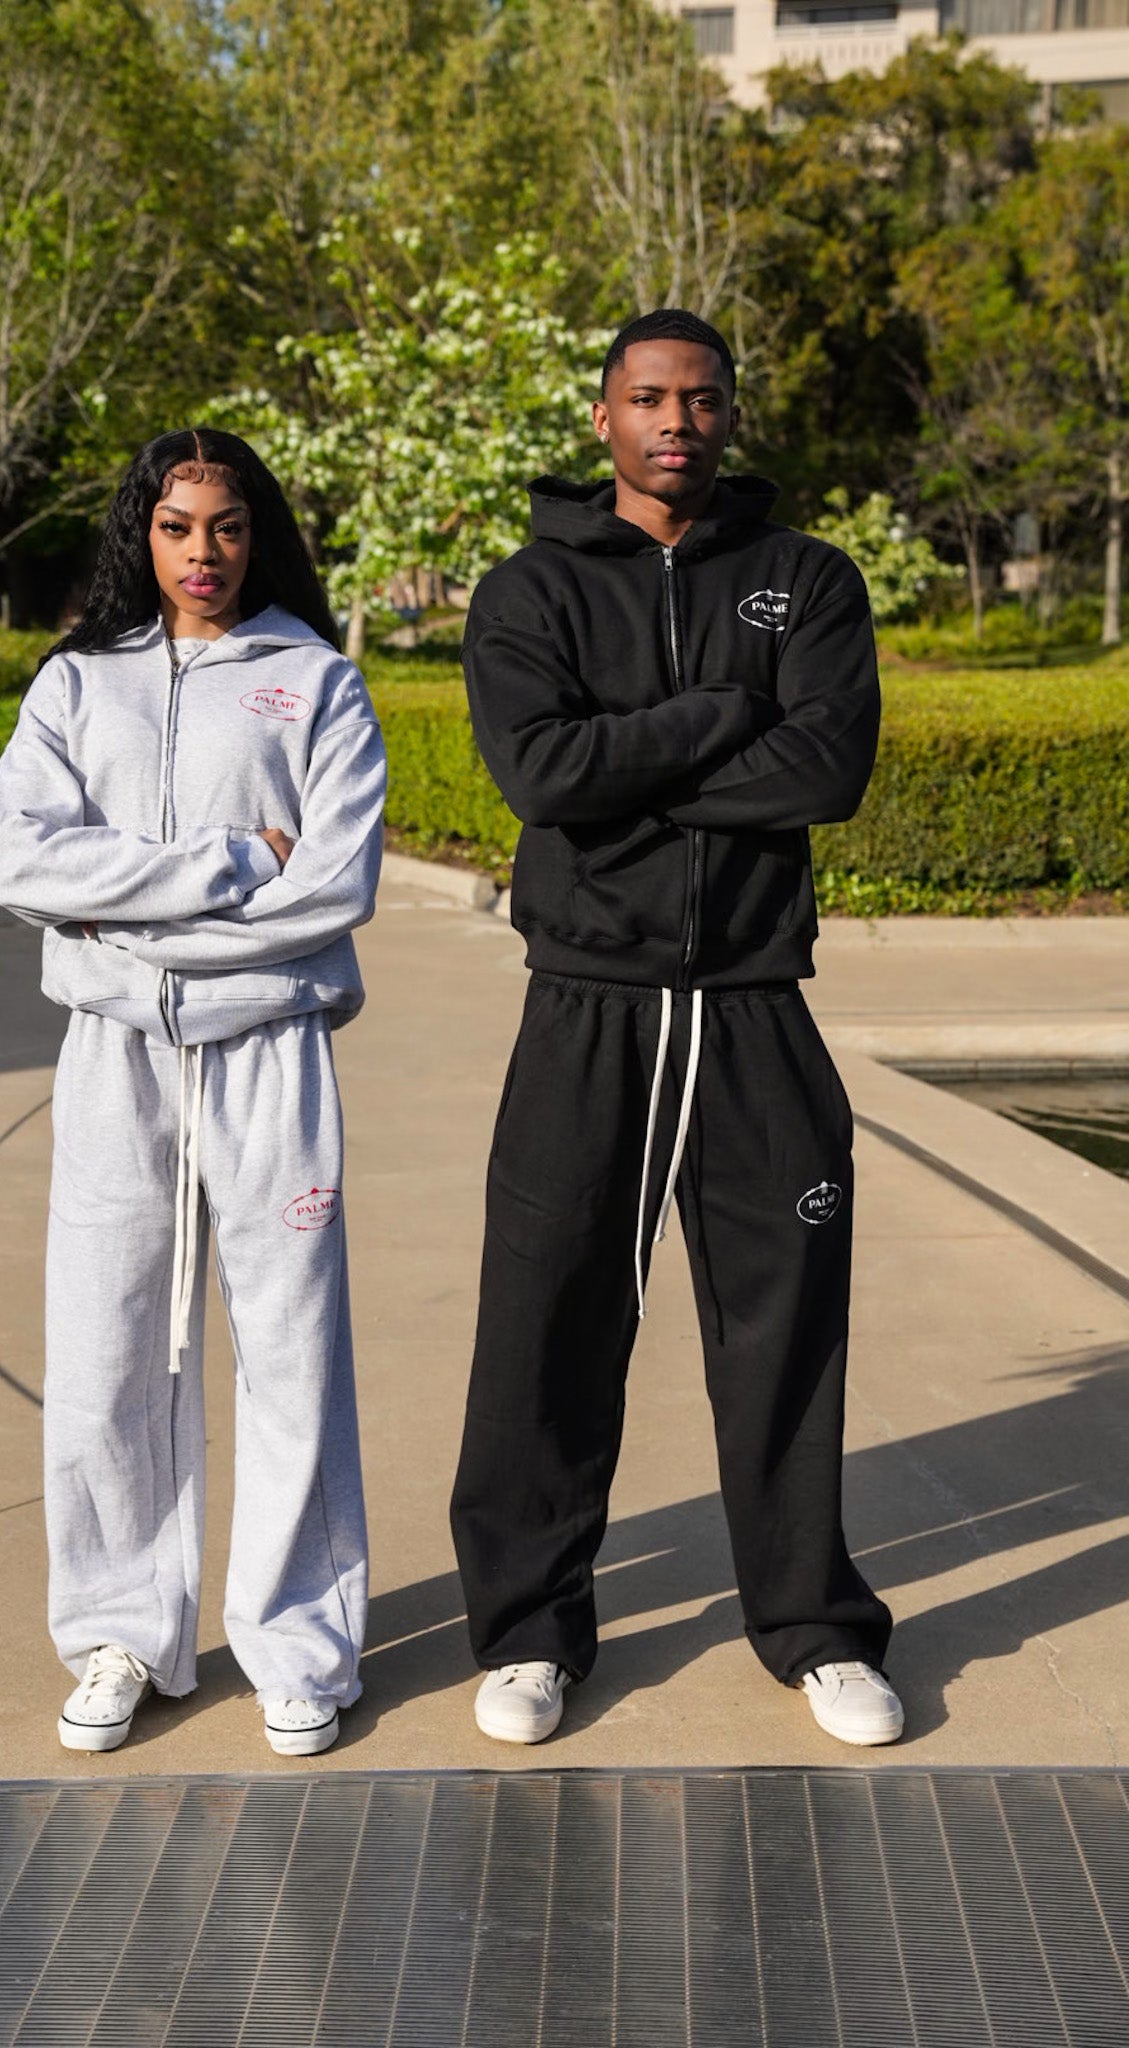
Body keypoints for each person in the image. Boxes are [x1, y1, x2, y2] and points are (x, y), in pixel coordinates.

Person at [449, 309, 902, 1749]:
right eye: (647, 398)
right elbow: (540, 776)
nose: (674, 424)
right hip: (586, 1006)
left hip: (754, 1004)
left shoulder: (805, 579)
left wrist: (624, 778)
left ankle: (812, 1625)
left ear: (729, 413)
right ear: (604, 417)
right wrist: (720, 712)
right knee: (548, 1320)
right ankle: (530, 1634)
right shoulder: (530, 589)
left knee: (784, 1325)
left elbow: (827, 767)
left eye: (699, 400)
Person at [0, 427, 385, 1758]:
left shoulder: (315, 682)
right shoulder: (76, 684)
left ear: (256, 535)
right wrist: (226, 864)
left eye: (225, 526)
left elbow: (333, 887)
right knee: (105, 1354)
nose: (202, 553)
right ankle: (120, 1632)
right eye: (175, 527)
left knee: (290, 1355)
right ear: (140, 535)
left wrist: (128, 926)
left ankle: (299, 1645)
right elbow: (20, 863)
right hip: (116, 1062)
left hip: (272, 1053)